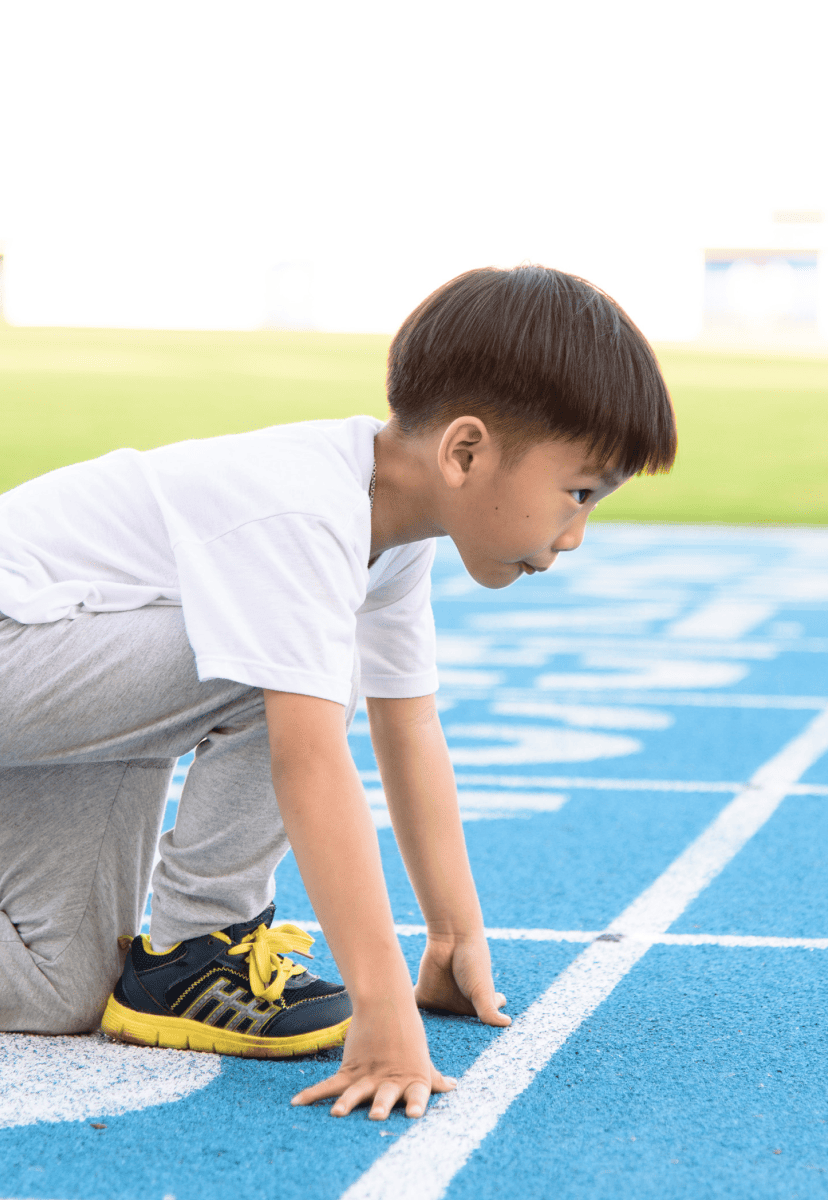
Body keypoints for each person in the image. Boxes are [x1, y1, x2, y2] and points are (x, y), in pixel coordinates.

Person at [0, 265, 676, 1120]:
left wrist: (452, 936)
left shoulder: (390, 536)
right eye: (578, 493)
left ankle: (169, 961)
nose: (575, 534)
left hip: (63, 682)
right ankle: (196, 946)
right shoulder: (305, 512)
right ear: (464, 451)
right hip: (20, 644)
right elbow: (309, 760)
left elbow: (412, 725)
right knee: (285, 667)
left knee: (55, 986)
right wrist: (386, 1013)